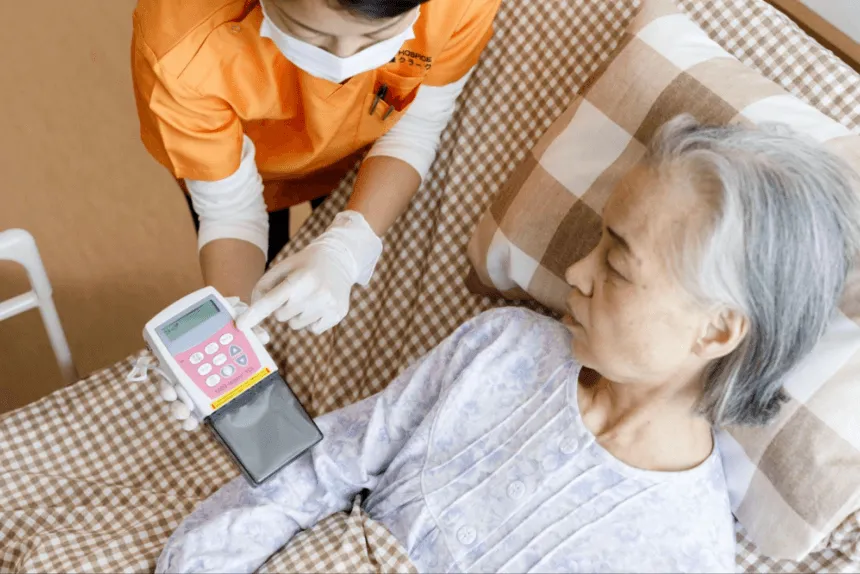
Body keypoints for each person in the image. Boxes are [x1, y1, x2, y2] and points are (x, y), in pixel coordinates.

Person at [154, 116, 860, 573]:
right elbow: (321, 467)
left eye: (617, 265)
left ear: (717, 330)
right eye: (597, 241)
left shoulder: (679, 553)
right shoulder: (504, 348)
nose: (576, 272)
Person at [132, 0, 501, 335]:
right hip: (241, 160)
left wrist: (347, 246)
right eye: (310, 33)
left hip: (361, 150)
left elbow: (416, 126)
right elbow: (231, 212)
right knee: (263, 272)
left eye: (376, 37)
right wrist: (238, 325)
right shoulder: (180, 48)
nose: (343, 61)